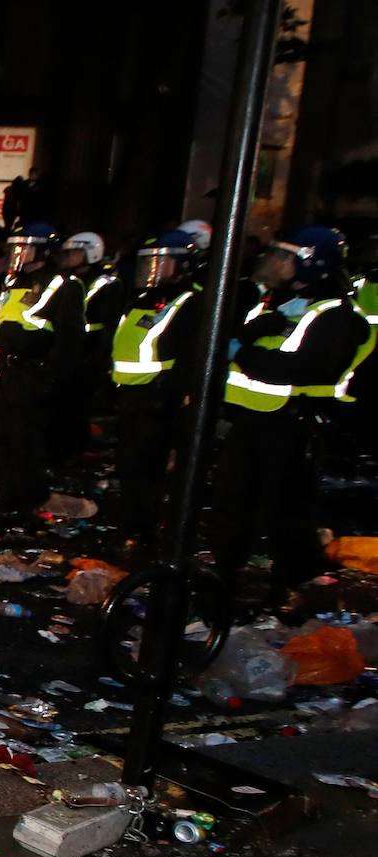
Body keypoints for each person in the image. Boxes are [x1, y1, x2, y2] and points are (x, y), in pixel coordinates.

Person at [213, 227, 374, 607]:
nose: (276, 264)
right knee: (232, 501)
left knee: (285, 510)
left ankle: (295, 585)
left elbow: (306, 368)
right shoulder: (275, 303)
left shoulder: (335, 314)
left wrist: (243, 352)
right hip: (251, 419)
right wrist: (247, 334)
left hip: (293, 423)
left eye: (286, 258)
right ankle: (224, 576)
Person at [110, 230, 202, 545]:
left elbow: (190, 354)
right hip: (130, 394)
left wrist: (171, 394)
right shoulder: (142, 298)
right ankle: (130, 523)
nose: (154, 270)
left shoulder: (190, 301)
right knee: (128, 464)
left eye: (162, 263)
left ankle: (146, 529)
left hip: (158, 397)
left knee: (147, 467)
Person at [0, 222, 85, 513]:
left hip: (33, 372)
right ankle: (10, 494)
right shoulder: (11, 281)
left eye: (24, 247)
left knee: (26, 441)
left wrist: (50, 377)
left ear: (42, 250)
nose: (17, 253)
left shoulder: (63, 284)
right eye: (14, 247)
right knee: (5, 437)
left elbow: (69, 338)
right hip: (6, 370)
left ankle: (30, 498)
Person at [52, 230, 124, 460]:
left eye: (75, 253)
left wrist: (99, 357)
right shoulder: (65, 281)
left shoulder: (106, 284)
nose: (70, 257)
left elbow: (110, 322)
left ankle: (73, 449)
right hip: (67, 348)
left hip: (89, 350)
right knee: (61, 403)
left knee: (78, 405)